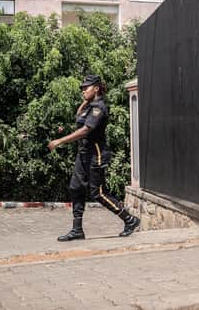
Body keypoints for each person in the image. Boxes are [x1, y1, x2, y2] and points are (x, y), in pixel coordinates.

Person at [47, 74, 140, 241]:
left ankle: (130, 219)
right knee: (76, 188)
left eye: (86, 88)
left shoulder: (99, 108)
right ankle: (77, 230)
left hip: (95, 154)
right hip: (83, 153)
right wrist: (86, 100)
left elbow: (85, 130)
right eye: (82, 88)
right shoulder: (89, 106)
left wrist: (60, 141)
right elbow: (78, 116)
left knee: (98, 192)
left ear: (96, 88)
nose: (83, 90)